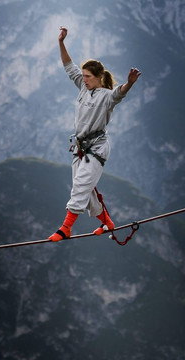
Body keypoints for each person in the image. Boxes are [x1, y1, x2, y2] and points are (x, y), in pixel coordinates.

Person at [49, 26, 141, 242]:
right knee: (87, 193)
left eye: (88, 76)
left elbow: (120, 93)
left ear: (99, 77)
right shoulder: (83, 86)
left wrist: (130, 83)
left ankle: (66, 228)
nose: (85, 79)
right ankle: (107, 223)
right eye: (84, 76)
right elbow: (68, 66)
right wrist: (61, 42)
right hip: (81, 148)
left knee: (81, 186)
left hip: (97, 148)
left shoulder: (106, 96)